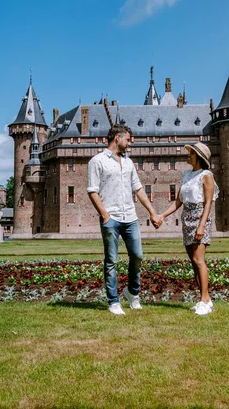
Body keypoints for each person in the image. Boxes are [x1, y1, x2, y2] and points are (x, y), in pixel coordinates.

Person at [87, 124, 159, 315]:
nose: (130, 143)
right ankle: (113, 301)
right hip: (111, 218)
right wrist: (104, 215)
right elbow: (92, 191)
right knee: (111, 261)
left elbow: (139, 189)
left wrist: (152, 212)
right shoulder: (97, 161)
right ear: (116, 138)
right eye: (128, 139)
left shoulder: (128, 163)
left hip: (130, 216)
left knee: (137, 255)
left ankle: (132, 292)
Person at [156, 142, 219, 316]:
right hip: (187, 218)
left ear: (198, 157)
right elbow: (178, 201)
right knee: (193, 262)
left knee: (199, 260)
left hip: (200, 218)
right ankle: (204, 299)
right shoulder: (186, 175)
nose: (188, 156)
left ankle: (204, 299)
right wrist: (163, 215)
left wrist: (201, 225)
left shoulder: (206, 176)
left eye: (191, 154)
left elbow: (208, 203)